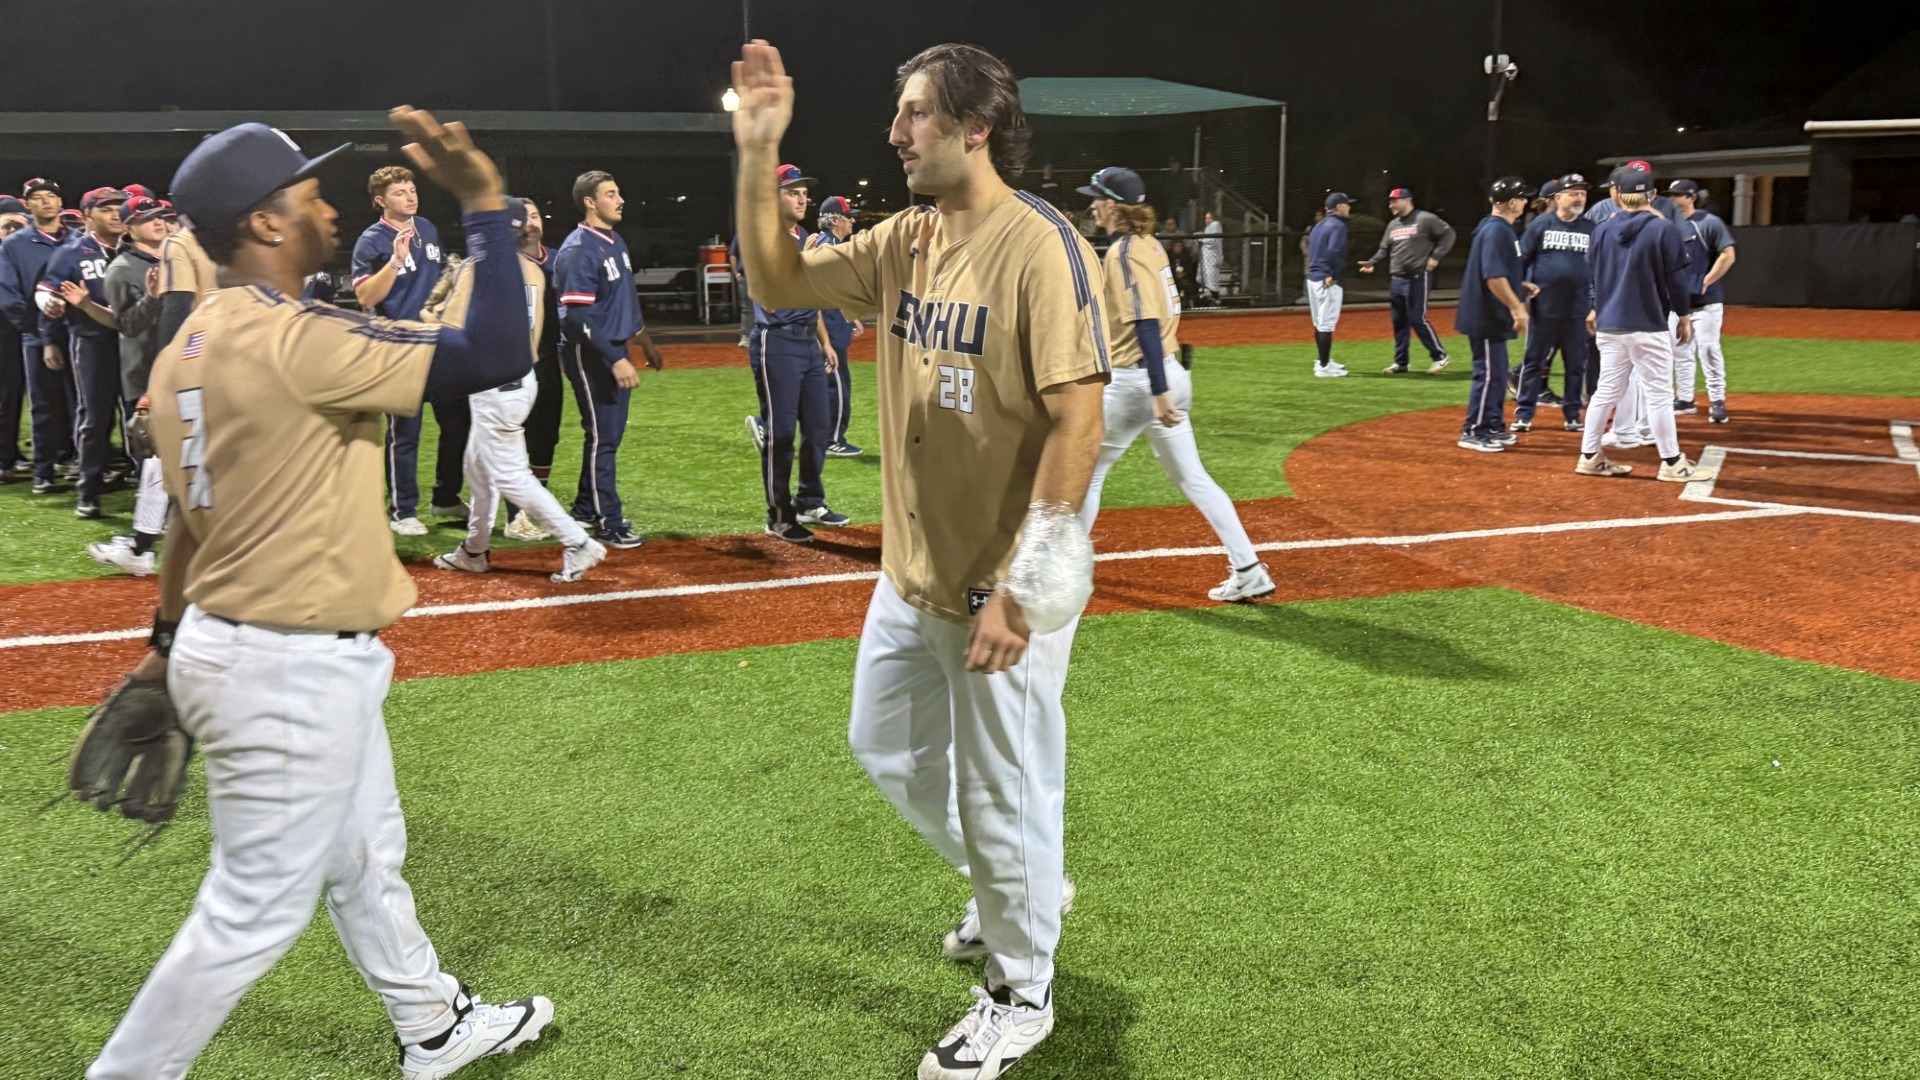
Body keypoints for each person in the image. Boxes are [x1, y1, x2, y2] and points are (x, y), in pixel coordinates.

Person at [87, 111, 551, 1080]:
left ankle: (431, 1023)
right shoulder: (295, 334)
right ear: (263, 224)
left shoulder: (191, 347)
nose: (329, 210)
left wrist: (164, 645)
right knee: (251, 908)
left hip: (232, 640)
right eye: (308, 197)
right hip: (288, 664)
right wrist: (484, 202)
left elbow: (186, 516)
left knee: (364, 849)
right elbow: (500, 350)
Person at [734, 39, 1108, 1079]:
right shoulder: (910, 239)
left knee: (1003, 790)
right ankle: (1020, 888)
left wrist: (1023, 590)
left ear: (973, 128)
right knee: (886, 744)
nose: (896, 133)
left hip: (1000, 586)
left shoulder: (1039, 246)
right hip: (910, 576)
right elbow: (776, 275)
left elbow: (1080, 416)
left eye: (915, 115)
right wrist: (758, 151)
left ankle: (1022, 990)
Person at [1078, 166, 1274, 603]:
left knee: (1087, 475)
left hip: (1140, 382)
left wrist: (1158, 388)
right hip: (1166, 373)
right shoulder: (1148, 244)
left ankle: (1060, 572)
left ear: (1114, 204)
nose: (1092, 204)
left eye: (1097, 197)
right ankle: (1248, 568)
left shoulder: (1125, 252)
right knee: (1193, 477)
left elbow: (1145, 320)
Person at [426, 200, 607, 582]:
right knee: (478, 468)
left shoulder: (476, 269)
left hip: (492, 385)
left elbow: (453, 329)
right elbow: (534, 338)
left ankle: (577, 542)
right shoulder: (533, 269)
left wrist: (428, 314)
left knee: (509, 476)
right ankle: (474, 550)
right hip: (521, 379)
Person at [1575, 166, 1716, 483]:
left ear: (1616, 195)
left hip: (1610, 325)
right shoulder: (1663, 229)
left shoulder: (1600, 230)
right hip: (1648, 324)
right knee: (1659, 395)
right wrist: (1684, 315)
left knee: (1605, 392)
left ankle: (1589, 456)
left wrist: (1595, 308)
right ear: (1651, 195)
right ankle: (1671, 462)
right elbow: (1676, 280)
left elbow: (1593, 278)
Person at [351, 164, 465, 536]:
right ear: (380, 201)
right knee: (405, 431)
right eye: (400, 192)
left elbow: (437, 281)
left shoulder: (428, 228)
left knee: (458, 421)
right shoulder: (371, 240)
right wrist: (396, 260)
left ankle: (446, 496)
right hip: (398, 344)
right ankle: (403, 511)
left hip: (436, 340)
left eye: (412, 189)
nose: (410, 196)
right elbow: (366, 296)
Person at [554, 169, 663, 550]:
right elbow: (575, 317)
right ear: (590, 202)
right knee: (604, 437)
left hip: (615, 347)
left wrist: (644, 341)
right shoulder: (578, 248)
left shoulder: (614, 240)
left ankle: (586, 507)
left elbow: (622, 302)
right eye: (611, 194)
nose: (620, 200)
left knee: (607, 435)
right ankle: (607, 521)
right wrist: (615, 358)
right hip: (591, 353)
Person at [743, 164, 847, 541]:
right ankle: (780, 516)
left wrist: (825, 341)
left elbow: (811, 296)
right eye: (792, 191)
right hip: (777, 341)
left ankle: (809, 500)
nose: (802, 198)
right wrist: (805, 263)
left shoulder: (801, 235)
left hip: (805, 340)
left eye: (804, 192)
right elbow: (771, 300)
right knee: (783, 435)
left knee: (819, 427)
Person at [87, 196, 173, 575]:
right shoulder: (122, 268)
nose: (159, 223)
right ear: (129, 226)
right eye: (148, 218)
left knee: (171, 463)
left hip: (187, 370)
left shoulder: (177, 259)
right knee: (157, 460)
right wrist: (153, 298)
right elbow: (128, 325)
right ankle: (142, 544)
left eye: (161, 217)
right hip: (151, 373)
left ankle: (142, 545)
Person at [39, 186, 129, 519]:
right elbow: (46, 292)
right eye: (107, 208)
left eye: (120, 207)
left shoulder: (135, 248)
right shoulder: (72, 251)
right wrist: (48, 323)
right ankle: (88, 489)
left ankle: (146, 488)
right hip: (92, 341)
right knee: (95, 417)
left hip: (134, 341)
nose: (116, 213)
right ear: (88, 214)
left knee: (140, 415)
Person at [503, 197, 568, 541]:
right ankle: (515, 515)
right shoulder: (504, 265)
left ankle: (535, 504)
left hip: (547, 362)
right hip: (510, 365)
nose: (532, 220)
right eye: (523, 216)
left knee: (546, 435)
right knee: (513, 439)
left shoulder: (559, 260)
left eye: (536, 214)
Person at [1454, 177, 1533, 452]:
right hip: (1485, 315)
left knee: (1497, 374)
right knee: (1488, 375)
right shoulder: (1497, 231)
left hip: (1489, 314)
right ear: (1511, 203)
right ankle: (1474, 430)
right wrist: (1516, 307)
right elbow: (1493, 277)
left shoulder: (1498, 229)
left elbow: (1499, 274)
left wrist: (1519, 287)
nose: (1526, 202)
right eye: (1522, 198)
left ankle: (1493, 425)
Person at [1514, 174, 1596, 433]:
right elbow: (1522, 260)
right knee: (1534, 362)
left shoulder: (1591, 228)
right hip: (1543, 308)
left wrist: (1595, 305)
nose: (1579, 197)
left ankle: (1572, 414)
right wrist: (1520, 294)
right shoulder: (1541, 224)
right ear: (1558, 198)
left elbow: (1600, 269)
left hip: (1578, 310)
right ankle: (1524, 413)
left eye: (1582, 193)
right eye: (1573, 193)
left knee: (1576, 365)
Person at [1360, 187, 1456, 374]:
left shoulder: (1424, 219)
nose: (1391, 205)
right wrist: (1372, 262)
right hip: (1397, 278)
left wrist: (1436, 256)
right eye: (1390, 202)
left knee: (1417, 318)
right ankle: (1401, 361)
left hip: (1417, 276)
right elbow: (1384, 249)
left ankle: (1440, 356)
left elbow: (1449, 234)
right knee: (1399, 321)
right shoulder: (1393, 225)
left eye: (1395, 201)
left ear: (1407, 200)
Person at [1665, 179, 1737, 423]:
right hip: (1677, 300)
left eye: (1678, 195)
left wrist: (1708, 279)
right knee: (1680, 350)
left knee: (1708, 348)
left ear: (1691, 197)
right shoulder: (1666, 224)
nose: (1673, 199)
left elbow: (1728, 255)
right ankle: (1684, 398)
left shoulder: (1708, 222)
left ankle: (1717, 400)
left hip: (1706, 301)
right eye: (1671, 195)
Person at [810, 194, 865, 456]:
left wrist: (851, 315)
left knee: (822, 387)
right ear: (834, 220)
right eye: (848, 216)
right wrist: (826, 340)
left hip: (832, 326)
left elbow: (833, 293)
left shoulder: (829, 245)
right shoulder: (828, 248)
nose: (852, 220)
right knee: (837, 389)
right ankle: (832, 440)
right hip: (827, 332)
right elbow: (816, 297)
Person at [1305, 193, 1352, 377]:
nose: (1349, 208)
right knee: (1326, 324)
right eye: (1347, 205)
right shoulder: (1338, 225)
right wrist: (1333, 274)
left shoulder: (1319, 225)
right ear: (1339, 206)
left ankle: (1323, 360)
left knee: (1319, 323)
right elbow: (1335, 251)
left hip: (1313, 277)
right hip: (1326, 279)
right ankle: (1323, 366)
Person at [0, 194, 30, 479]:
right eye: (8, 225)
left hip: (14, 333)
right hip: (7, 331)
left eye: (19, 225)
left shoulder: (18, 252)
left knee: (13, 394)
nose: (14, 231)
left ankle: (8, 451)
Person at [1197, 208, 1224, 302]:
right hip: (1205, 256)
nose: (1207, 220)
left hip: (1213, 256)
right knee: (1203, 276)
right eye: (1206, 218)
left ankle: (1216, 299)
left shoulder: (1216, 225)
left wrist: (1202, 240)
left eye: (1210, 218)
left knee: (1212, 277)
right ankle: (1207, 296)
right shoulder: (1208, 228)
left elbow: (1212, 240)